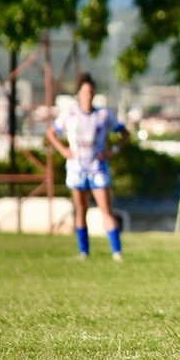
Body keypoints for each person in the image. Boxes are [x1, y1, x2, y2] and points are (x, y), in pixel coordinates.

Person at [46, 72, 131, 260]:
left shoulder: (102, 115)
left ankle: (117, 251)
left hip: (97, 168)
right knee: (81, 209)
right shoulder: (70, 114)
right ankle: (84, 251)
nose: (88, 95)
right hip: (77, 168)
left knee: (105, 209)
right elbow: (51, 132)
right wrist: (63, 150)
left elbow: (124, 134)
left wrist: (112, 151)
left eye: (91, 91)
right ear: (78, 93)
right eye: (85, 92)